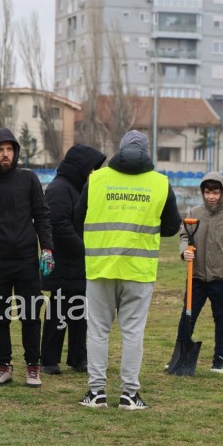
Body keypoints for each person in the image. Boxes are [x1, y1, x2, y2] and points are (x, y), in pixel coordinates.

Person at [74, 130, 181, 410]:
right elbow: (172, 226)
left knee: (97, 331)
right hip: (138, 269)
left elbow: (77, 218)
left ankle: (96, 392)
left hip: (100, 267)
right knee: (133, 332)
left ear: (119, 150)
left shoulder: (96, 180)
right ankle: (129, 394)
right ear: (147, 152)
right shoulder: (160, 183)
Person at [0, 128, 55, 388]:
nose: (5, 154)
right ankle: (3, 365)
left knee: (30, 315)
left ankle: (33, 366)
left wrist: (47, 249)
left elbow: (42, 216)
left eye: (9, 149)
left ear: (15, 152)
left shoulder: (28, 180)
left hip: (27, 261)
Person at [40, 144, 106, 375]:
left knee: (80, 314)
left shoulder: (77, 188)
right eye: (91, 168)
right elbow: (59, 225)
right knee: (58, 313)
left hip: (78, 265)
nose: (93, 173)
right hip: (64, 263)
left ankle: (79, 359)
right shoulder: (59, 189)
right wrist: (85, 249)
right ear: (80, 167)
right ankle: (49, 360)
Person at [176, 172, 223, 374]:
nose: (211, 196)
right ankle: (181, 355)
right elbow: (184, 235)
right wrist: (185, 251)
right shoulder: (194, 212)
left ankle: (219, 360)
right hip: (196, 277)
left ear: (222, 193)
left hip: (221, 278)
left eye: (215, 192)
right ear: (202, 192)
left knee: (222, 318)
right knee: (187, 316)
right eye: (207, 192)